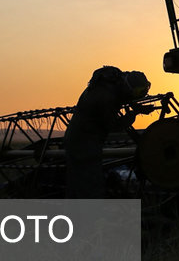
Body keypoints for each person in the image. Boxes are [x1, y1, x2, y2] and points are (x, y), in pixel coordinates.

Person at [64, 66, 151, 198]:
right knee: (89, 186)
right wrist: (134, 114)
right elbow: (114, 126)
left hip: (82, 139)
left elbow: (124, 96)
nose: (138, 96)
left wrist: (135, 106)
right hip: (83, 143)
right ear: (128, 86)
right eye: (138, 92)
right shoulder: (106, 97)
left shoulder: (113, 83)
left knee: (77, 185)